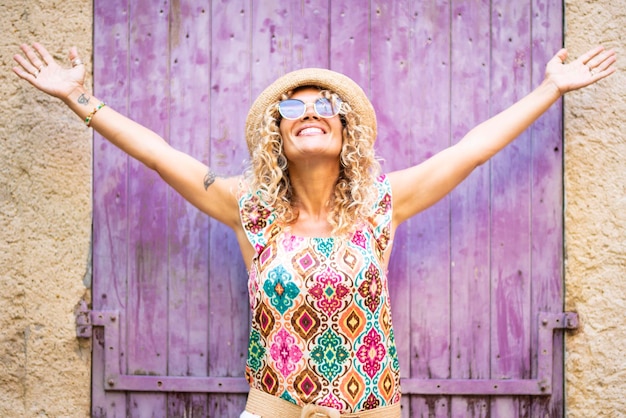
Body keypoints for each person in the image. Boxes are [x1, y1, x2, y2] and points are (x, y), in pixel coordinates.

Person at [13, 42, 615, 418]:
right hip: (273, 409)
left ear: (344, 129)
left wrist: (549, 89)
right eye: (291, 109)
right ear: (277, 135)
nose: (307, 114)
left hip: (371, 411)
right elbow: (158, 153)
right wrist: (78, 99)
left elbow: (470, 151)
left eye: (322, 106)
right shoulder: (247, 208)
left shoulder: (384, 202)